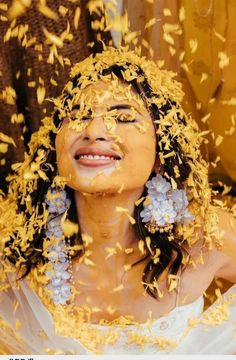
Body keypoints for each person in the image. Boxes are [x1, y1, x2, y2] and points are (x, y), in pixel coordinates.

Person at [0, 46, 236, 355]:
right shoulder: (14, 252)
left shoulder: (207, 238)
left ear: (160, 155)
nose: (94, 130)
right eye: (79, 114)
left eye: (123, 117)